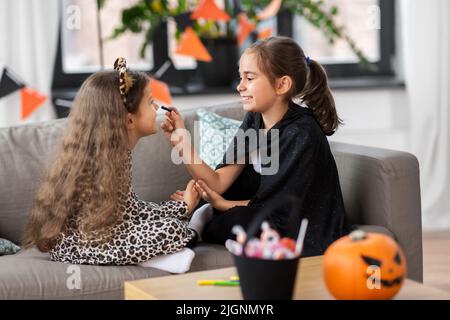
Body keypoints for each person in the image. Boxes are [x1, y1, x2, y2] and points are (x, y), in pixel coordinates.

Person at [162, 37, 353, 257]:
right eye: (240, 77)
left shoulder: (302, 132)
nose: (240, 86)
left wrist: (223, 204)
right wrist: (183, 143)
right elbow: (218, 182)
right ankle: (210, 217)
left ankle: (213, 220)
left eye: (249, 78)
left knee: (238, 221)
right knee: (222, 217)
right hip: (262, 211)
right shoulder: (254, 119)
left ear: (282, 85)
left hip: (299, 222)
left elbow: (278, 205)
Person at [22, 58, 200, 266]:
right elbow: (103, 234)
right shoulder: (101, 164)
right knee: (173, 230)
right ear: (129, 120)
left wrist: (180, 208)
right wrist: (181, 212)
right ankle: (189, 235)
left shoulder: (116, 154)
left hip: (102, 237)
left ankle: (183, 229)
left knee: (174, 223)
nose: (157, 108)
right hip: (86, 245)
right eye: (151, 102)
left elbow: (130, 212)